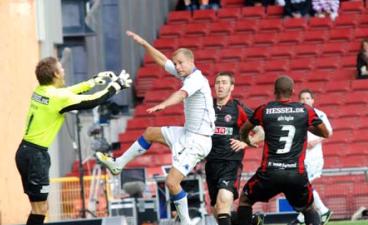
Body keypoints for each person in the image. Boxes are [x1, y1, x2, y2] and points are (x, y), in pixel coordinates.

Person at [96, 30, 215, 225]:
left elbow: (181, 95)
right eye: (176, 64)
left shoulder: (196, 80)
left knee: (171, 183)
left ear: (191, 61)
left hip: (198, 140)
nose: (177, 67)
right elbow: (162, 60)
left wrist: (164, 104)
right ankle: (118, 165)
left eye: (180, 63)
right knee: (150, 133)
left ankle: (185, 223)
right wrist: (144, 43)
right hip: (187, 133)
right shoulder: (185, 73)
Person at [15, 56, 132, 225]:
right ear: (55, 74)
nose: (64, 71)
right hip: (36, 158)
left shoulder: (40, 91)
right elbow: (93, 101)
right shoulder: (57, 98)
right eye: (61, 68)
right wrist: (116, 86)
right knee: (40, 209)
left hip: (24, 152)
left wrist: (93, 82)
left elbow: (66, 92)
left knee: (39, 208)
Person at [236, 76, 330, 225]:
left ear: (274, 91)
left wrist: (248, 141)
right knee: (309, 208)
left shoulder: (264, 110)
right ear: (293, 91)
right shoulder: (305, 110)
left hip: (269, 173)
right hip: (295, 173)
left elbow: (244, 130)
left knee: (246, 200)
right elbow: (325, 133)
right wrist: (305, 126)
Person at [206, 72, 265, 225]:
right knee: (217, 210)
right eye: (218, 82)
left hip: (230, 163)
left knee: (224, 200)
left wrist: (246, 142)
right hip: (211, 164)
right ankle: (252, 221)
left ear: (231, 87)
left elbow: (261, 130)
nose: (220, 85)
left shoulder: (237, 108)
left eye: (224, 82)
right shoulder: (207, 107)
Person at [288, 89, 333, 225]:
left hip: (313, 158)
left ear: (313, 100)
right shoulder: (296, 115)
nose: (305, 101)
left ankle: (306, 217)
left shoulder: (320, 114)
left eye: (308, 98)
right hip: (300, 157)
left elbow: (329, 132)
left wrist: (316, 140)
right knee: (301, 187)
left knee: (304, 186)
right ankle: (317, 212)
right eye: (302, 98)